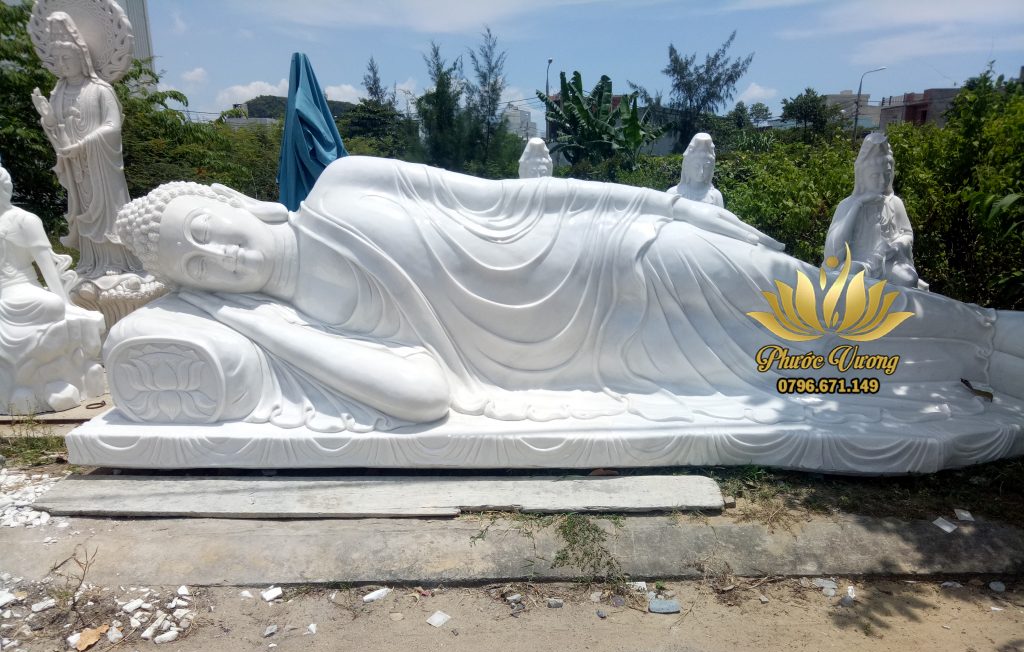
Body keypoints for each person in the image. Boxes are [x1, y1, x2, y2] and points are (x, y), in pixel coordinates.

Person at [110, 155, 1020, 440]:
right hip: (606, 354)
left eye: (207, 229)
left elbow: (516, 199)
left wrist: (666, 208)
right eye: (197, 268)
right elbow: (422, 396)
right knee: (798, 368)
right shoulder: (305, 323)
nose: (220, 255)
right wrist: (254, 322)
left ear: (235, 202)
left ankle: (988, 337)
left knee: (819, 306)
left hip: (617, 253)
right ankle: (963, 365)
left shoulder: (344, 185)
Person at [31, 12, 139, 278]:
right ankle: (91, 262)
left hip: (101, 166)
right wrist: (48, 118)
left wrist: (84, 144)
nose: (62, 64)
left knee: (108, 213)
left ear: (82, 58)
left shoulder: (101, 90)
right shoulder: (58, 92)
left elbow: (113, 126)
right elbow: (57, 128)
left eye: (67, 58)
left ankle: (117, 261)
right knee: (83, 211)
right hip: (77, 169)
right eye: (58, 59)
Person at [0, 162, 105, 413]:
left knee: (51, 305)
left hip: (18, 287)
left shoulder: (24, 220)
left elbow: (46, 265)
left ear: (6, 188)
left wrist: (65, 303)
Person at [823, 132, 926, 290]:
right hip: (859, 260)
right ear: (862, 177)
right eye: (875, 176)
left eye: (887, 175)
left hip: (887, 260)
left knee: (908, 279)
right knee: (850, 275)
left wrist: (896, 246)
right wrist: (857, 205)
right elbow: (833, 248)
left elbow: (907, 234)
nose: (882, 181)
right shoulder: (847, 204)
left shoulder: (894, 203)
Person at [667, 133, 724, 207]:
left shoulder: (715, 196)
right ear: (687, 167)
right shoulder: (673, 193)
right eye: (696, 167)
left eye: (706, 167)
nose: (701, 172)